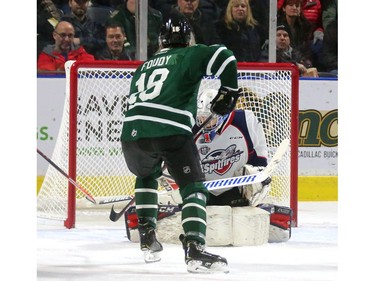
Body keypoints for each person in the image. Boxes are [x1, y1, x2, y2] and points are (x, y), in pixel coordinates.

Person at [120, 14, 239, 273]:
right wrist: (229, 91)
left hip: (131, 134)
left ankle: (146, 234)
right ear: (187, 38)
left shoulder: (143, 66)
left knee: (146, 175)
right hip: (170, 131)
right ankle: (195, 248)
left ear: (161, 40)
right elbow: (226, 56)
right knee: (193, 187)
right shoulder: (190, 54)